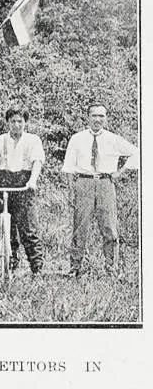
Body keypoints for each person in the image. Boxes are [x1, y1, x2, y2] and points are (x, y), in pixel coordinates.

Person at [61, 102, 139, 277]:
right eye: (94, 115)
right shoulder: (77, 138)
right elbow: (68, 166)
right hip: (84, 182)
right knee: (80, 226)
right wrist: (71, 189)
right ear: (88, 117)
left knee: (109, 227)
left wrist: (120, 172)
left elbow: (137, 152)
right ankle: (75, 267)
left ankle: (111, 268)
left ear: (106, 118)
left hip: (105, 183)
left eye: (101, 116)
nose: (97, 119)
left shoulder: (114, 139)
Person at [0, 107, 45, 274]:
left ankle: (37, 268)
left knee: (28, 228)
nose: (16, 125)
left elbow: (37, 162)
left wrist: (32, 181)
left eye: (20, 121)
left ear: (25, 123)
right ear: (7, 122)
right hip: (3, 182)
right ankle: (7, 262)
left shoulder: (32, 140)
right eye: (13, 121)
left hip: (24, 184)